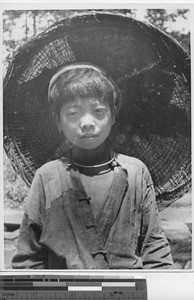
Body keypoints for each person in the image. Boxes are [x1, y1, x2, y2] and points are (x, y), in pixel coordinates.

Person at [12, 63, 173, 269]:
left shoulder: (135, 172)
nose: (87, 122)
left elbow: (155, 251)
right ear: (57, 121)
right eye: (73, 113)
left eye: (98, 111)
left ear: (113, 115)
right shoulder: (48, 176)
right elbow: (28, 259)